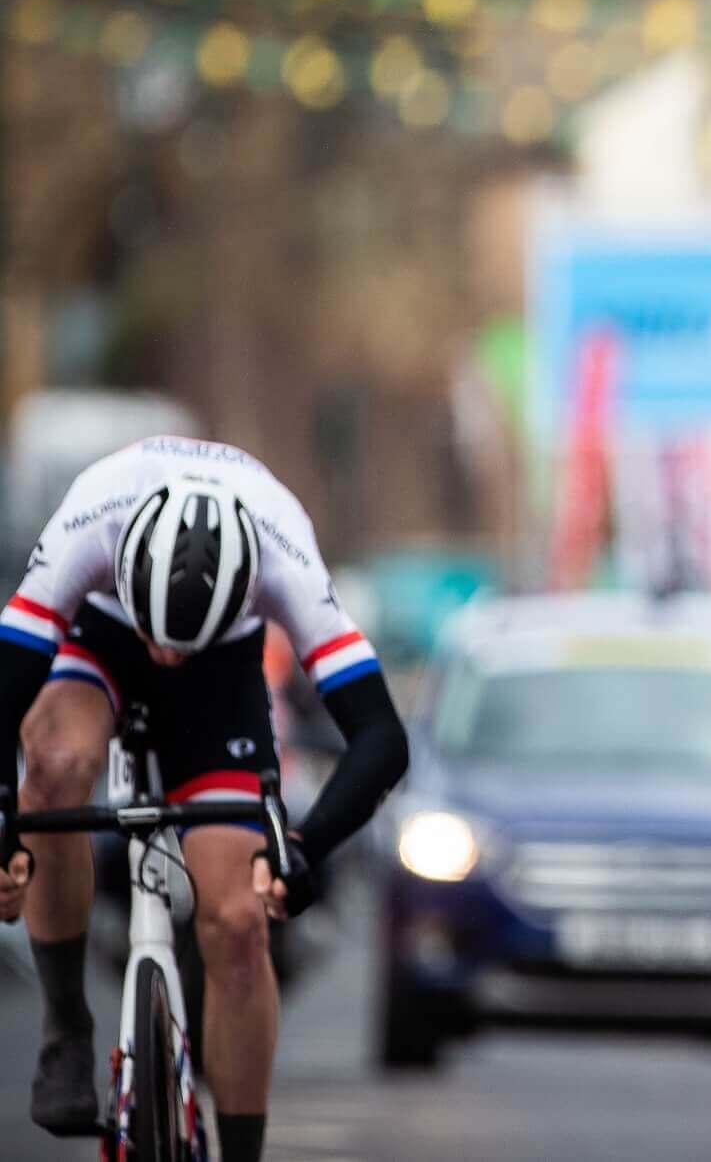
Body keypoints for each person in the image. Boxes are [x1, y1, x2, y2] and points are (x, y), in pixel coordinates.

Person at [0, 437, 409, 1162]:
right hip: (100, 634)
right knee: (57, 766)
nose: (168, 658)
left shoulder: (285, 545)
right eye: (162, 643)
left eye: (178, 646)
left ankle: (241, 1150)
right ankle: (66, 1025)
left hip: (223, 673)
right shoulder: (89, 518)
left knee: (240, 920)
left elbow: (381, 736)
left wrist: (304, 847)